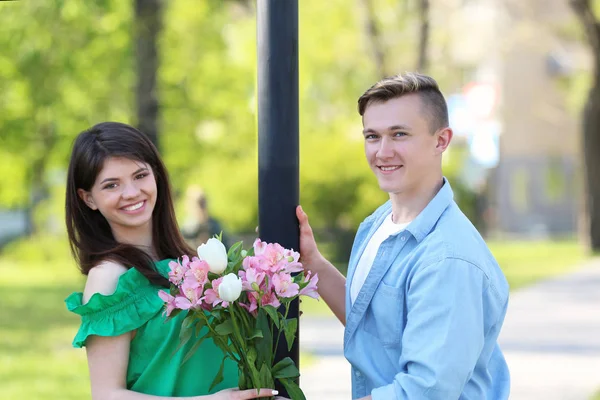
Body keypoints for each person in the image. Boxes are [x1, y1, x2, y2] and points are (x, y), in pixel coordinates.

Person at [296, 73, 510, 399]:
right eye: (372, 136)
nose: (383, 152)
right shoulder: (378, 223)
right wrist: (315, 264)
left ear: (441, 140)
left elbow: (424, 392)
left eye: (399, 134)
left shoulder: (448, 259)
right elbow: (372, 327)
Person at [64, 122, 278, 400]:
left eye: (140, 175)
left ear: (156, 176)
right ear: (88, 198)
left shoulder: (191, 263)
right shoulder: (110, 278)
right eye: (112, 185)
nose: (131, 192)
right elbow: (106, 394)